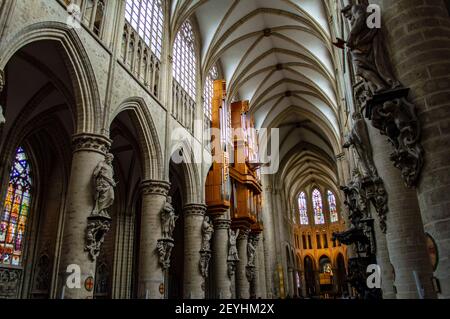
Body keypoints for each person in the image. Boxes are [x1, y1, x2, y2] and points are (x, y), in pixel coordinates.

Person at [342, 4, 400, 94]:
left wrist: (351, 36)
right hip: (364, 43)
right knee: (359, 68)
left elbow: (361, 19)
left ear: (348, 10)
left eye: (348, 16)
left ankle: (388, 82)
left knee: (378, 61)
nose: (348, 18)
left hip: (370, 40)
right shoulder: (354, 12)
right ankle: (380, 85)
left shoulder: (355, 8)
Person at [92, 153, 116, 217]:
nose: (110, 159)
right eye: (109, 157)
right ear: (106, 157)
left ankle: (103, 209)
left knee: (111, 197)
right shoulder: (101, 164)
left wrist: (112, 181)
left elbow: (111, 176)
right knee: (103, 197)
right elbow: (95, 174)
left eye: (111, 158)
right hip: (103, 183)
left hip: (109, 184)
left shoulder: (111, 166)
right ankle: (100, 210)